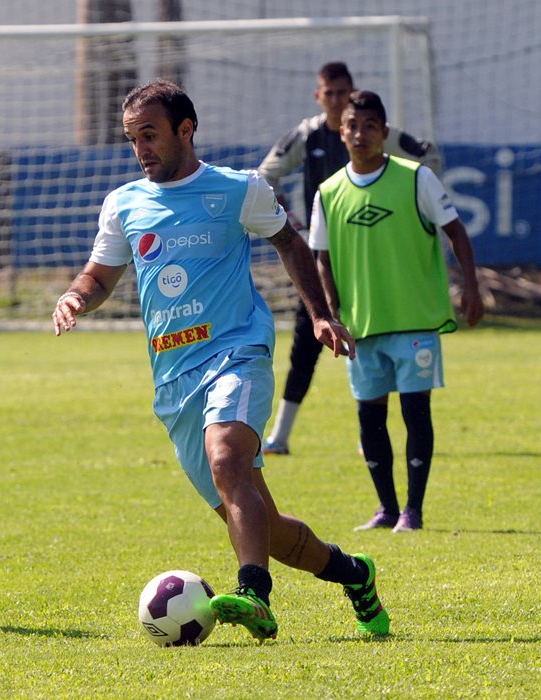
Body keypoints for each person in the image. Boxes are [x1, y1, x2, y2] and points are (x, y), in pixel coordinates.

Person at [53, 79, 389, 641]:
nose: (141, 149)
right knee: (265, 524)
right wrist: (75, 296)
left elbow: (291, 243)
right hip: (174, 380)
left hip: (237, 350)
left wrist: (321, 315)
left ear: (185, 130)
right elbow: (101, 275)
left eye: (150, 135)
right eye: (133, 139)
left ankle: (254, 594)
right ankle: (356, 574)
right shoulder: (123, 203)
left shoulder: (239, 189)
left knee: (227, 458)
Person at [310, 89, 484, 533]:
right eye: (352, 126)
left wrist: (471, 287)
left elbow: (456, 232)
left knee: (415, 413)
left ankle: (413, 511)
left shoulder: (415, 178)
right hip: (361, 326)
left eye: (370, 126)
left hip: (415, 322)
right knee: (369, 417)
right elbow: (322, 259)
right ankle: (387, 508)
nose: (360, 134)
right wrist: (330, 313)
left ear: (384, 132)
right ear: (341, 131)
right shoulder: (328, 193)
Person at [257, 61, 441, 456]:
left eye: (344, 92)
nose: (338, 100)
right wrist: (291, 222)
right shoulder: (307, 135)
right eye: (330, 93)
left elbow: (428, 159)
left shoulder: (375, 132)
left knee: (375, 339)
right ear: (318, 96)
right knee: (306, 342)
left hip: (367, 258)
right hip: (320, 255)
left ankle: (370, 433)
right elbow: (265, 176)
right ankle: (281, 435)